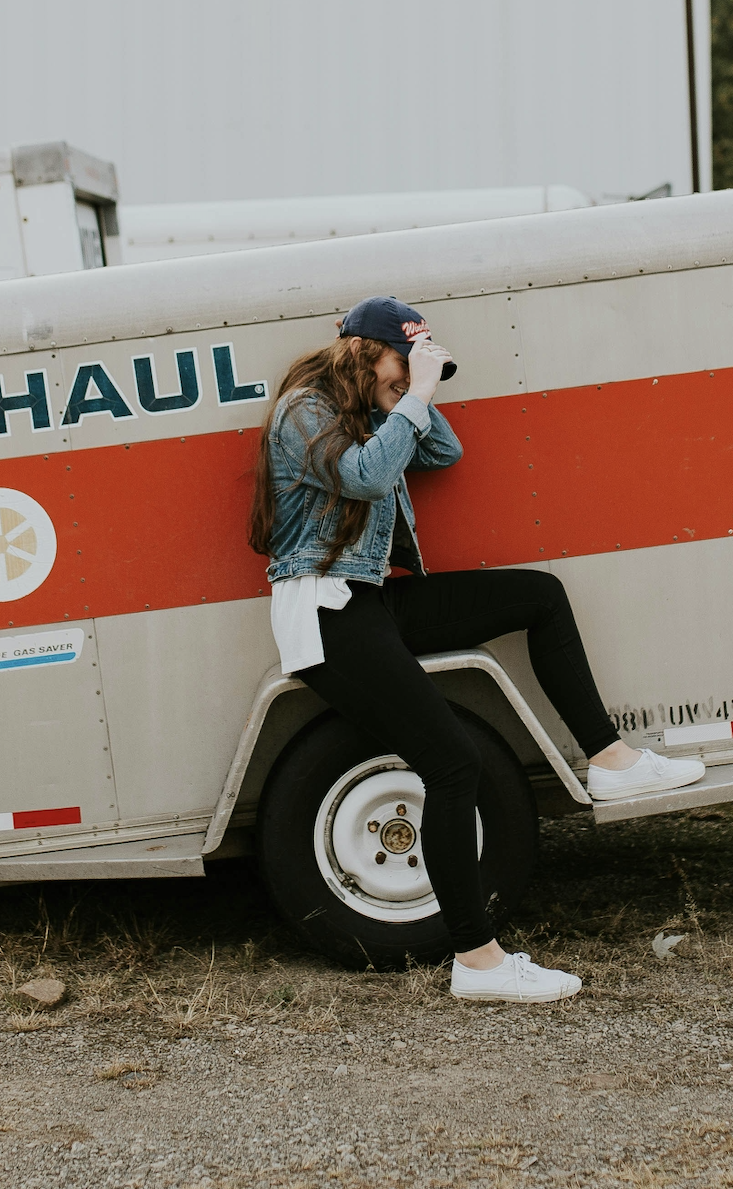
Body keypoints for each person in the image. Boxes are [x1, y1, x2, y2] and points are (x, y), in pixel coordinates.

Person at [247, 296, 705, 1004]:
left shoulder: (372, 409)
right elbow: (368, 476)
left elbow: (442, 450)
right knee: (452, 763)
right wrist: (414, 394)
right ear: (364, 353)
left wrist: (410, 388)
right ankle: (478, 962)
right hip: (327, 609)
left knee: (539, 596)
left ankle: (611, 761)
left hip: (372, 599)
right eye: (402, 359)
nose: (412, 377)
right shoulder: (302, 410)